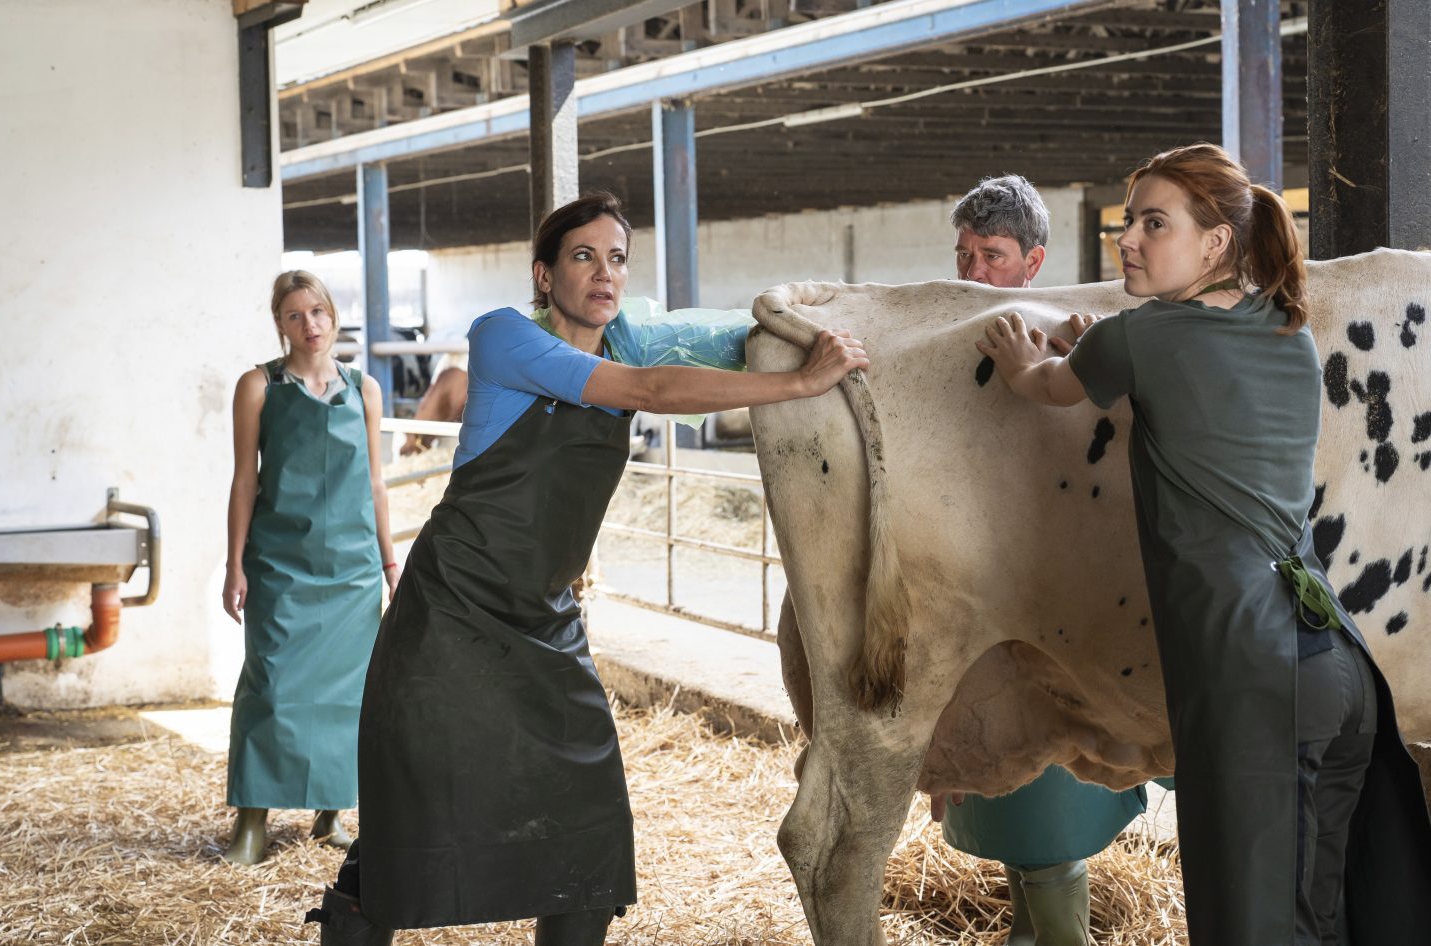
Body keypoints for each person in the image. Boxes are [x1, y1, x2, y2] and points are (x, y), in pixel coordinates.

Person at [305, 191, 868, 946]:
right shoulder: (504, 336)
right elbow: (649, 392)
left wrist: (828, 330)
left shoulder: (628, 344)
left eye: (617, 258)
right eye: (582, 256)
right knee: (412, 827)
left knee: (590, 829)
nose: (604, 273)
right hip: (451, 618)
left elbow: (731, 333)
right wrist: (800, 383)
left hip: (544, 623)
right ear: (544, 276)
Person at [975, 143, 1431, 945]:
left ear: (1215, 243)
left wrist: (1023, 360)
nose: (1129, 240)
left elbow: (1047, 388)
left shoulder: (1140, 339)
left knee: (1246, 926)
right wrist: (1101, 347)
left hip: (1251, 677)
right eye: (1128, 223)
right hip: (1338, 664)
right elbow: (1188, 388)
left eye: (1156, 224)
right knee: (1320, 922)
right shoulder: (1288, 330)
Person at [775, 174, 1150, 946]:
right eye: (964, 253)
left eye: (992, 255)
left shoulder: (1065, 335)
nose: (973, 272)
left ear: (1034, 260)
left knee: (1050, 839)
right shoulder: (943, 357)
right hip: (983, 631)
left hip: (1064, 626)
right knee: (1019, 828)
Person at [221, 270, 399, 866]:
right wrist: (234, 564)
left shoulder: (364, 389)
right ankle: (252, 820)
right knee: (271, 686)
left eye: (318, 311)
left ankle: (330, 815)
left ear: (333, 315)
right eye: (295, 315)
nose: (310, 325)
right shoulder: (258, 386)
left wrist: (390, 559)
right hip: (279, 563)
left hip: (351, 571)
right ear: (280, 323)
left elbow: (375, 482)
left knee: (347, 694)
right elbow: (244, 481)